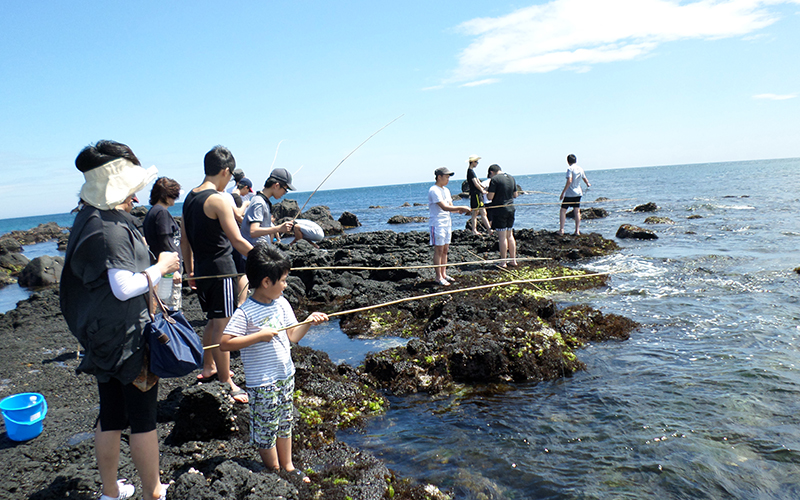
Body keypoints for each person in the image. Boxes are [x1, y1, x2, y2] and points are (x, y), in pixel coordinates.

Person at [60, 140, 179, 500]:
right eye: (130, 189)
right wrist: (162, 266)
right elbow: (124, 286)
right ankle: (152, 491)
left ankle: (111, 491)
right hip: (126, 339)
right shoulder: (109, 227)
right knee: (143, 419)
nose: (135, 197)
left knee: (110, 413)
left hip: (102, 336)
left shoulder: (89, 218)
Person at [219, 243, 329, 482]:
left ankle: (288, 466)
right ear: (267, 282)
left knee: (284, 422)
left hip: (285, 375)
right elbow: (225, 343)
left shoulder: (281, 303)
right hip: (263, 382)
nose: (286, 285)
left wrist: (308, 321)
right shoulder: (246, 312)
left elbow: (292, 337)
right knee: (266, 428)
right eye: (283, 280)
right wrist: (258, 336)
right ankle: (274, 472)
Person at [181, 146, 254, 403]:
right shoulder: (219, 199)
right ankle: (226, 381)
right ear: (225, 171)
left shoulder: (189, 198)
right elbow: (237, 240)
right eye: (230, 175)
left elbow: (184, 241)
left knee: (213, 321)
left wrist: (190, 270)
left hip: (201, 271)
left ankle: (209, 366)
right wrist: (263, 260)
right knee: (224, 326)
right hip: (222, 272)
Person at [143, 177, 183, 311]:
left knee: (163, 309)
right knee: (171, 311)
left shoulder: (153, 212)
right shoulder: (161, 213)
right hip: (167, 273)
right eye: (174, 195)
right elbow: (165, 241)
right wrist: (175, 270)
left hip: (161, 270)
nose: (175, 199)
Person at [428, 167, 470, 286]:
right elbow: (444, 207)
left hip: (447, 223)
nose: (448, 179)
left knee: (445, 250)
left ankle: (444, 274)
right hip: (437, 224)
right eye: (446, 177)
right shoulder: (434, 190)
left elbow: (451, 207)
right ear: (439, 177)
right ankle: (438, 277)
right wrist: (462, 207)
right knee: (439, 250)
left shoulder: (446, 190)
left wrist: (460, 211)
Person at [241, 168, 296, 246]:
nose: (284, 193)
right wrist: (279, 228)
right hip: (253, 252)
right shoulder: (259, 202)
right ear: (276, 185)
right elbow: (253, 231)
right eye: (285, 189)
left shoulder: (263, 201)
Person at [486, 164, 518, 267]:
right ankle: (513, 260)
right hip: (511, 209)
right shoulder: (511, 177)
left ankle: (503, 262)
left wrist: (487, 191)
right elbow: (515, 195)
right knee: (510, 235)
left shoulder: (495, 179)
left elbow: (490, 197)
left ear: (491, 172)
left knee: (502, 237)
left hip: (500, 210)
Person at [559, 154, 591, 236]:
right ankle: (577, 231)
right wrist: (588, 184)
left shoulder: (570, 169)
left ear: (568, 161)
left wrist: (563, 193)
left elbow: (569, 181)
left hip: (570, 194)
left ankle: (561, 230)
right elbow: (585, 178)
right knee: (577, 211)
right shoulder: (580, 169)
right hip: (578, 193)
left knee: (563, 211)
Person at [466, 155, 492, 236]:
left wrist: (484, 187)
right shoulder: (470, 172)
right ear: (472, 162)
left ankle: (484, 229)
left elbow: (478, 182)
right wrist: (482, 191)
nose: (477, 163)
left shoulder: (471, 171)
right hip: (476, 195)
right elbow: (475, 183)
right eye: (476, 162)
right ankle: (487, 230)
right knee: (479, 212)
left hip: (477, 194)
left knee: (477, 213)